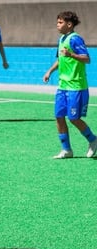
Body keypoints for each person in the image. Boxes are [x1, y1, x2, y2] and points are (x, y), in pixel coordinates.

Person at [43, 11, 97, 159]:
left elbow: (87, 59)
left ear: (69, 24)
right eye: (57, 22)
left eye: (60, 23)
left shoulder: (75, 39)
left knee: (73, 118)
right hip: (62, 86)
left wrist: (71, 55)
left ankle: (93, 140)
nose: (57, 25)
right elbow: (60, 59)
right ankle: (66, 150)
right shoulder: (61, 39)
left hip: (76, 87)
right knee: (59, 116)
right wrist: (49, 71)